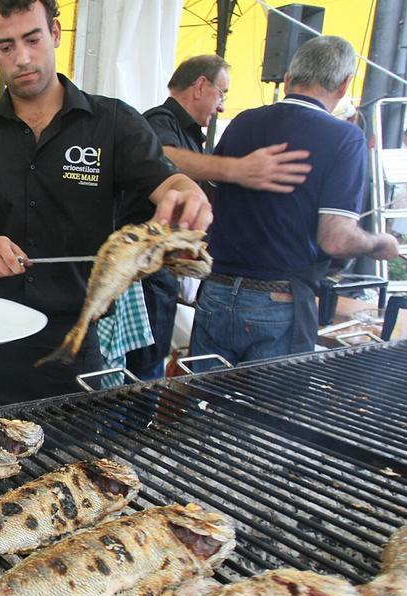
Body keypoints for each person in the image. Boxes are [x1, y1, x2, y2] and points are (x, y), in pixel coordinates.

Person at [0, 0, 211, 411]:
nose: (22, 57)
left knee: (74, 465)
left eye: (32, 39)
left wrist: (186, 191)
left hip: (78, 341)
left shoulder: (113, 122)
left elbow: (165, 182)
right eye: (6, 46)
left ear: (55, 33)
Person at [190, 36, 399, 365]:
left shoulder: (244, 122)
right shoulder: (345, 138)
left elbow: (209, 196)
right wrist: (382, 243)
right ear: (344, 86)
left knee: (203, 408)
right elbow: (336, 239)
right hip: (279, 301)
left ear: (288, 79)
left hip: (216, 291)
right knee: (269, 415)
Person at [121, 54, 313, 380]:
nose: (222, 106)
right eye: (222, 93)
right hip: (142, 279)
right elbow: (160, 157)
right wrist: (238, 170)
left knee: (154, 368)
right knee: (141, 373)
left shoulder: (192, 134)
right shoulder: (158, 121)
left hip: (165, 274)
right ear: (200, 86)